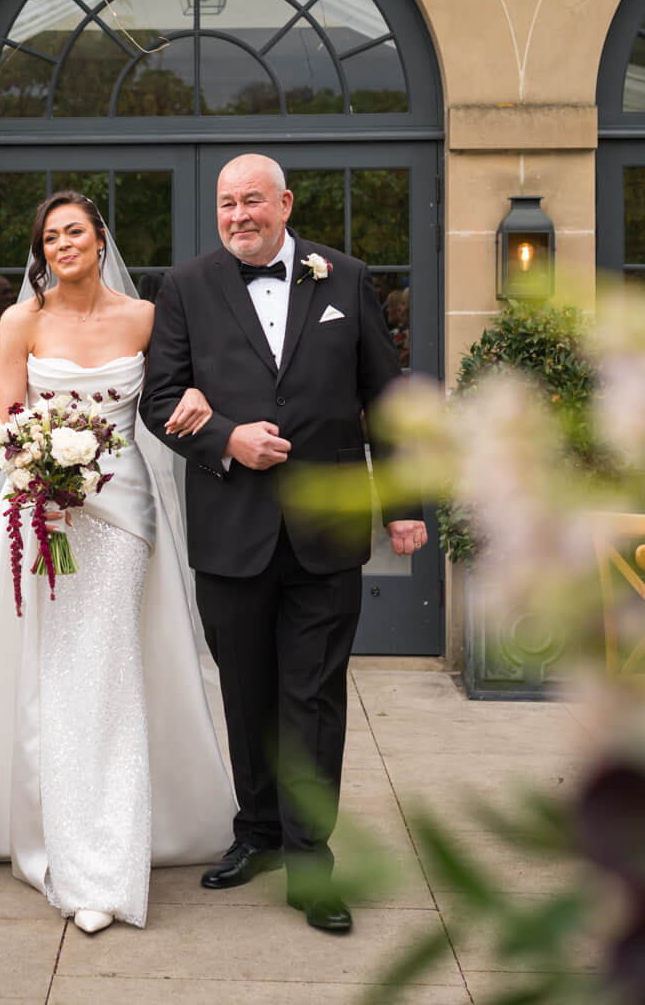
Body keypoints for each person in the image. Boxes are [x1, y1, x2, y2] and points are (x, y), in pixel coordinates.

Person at [0, 189, 235, 934]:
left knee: (106, 671)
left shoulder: (145, 317)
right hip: (40, 516)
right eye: (50, 237)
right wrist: (37, 475)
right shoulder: (20, 321)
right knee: (49, 674)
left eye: (75, 232)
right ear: (43, 251)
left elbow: (164, 398)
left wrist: (194, 392)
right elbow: (7, 416)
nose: (62, 245)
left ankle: (105, 859)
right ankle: (61, 842)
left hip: (123, 517)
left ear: (100, 240)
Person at [141, 152, 427, 934]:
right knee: (247, 697)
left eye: (254, 202)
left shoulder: (345, 276)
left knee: (313, 700)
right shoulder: (186, 286)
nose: (239, 215)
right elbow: (158, 398)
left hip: (326, 527)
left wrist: (403, 503)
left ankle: (311, 862)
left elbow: (387, 397)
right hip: (231, 528)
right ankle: (257, 833)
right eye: (228, 203)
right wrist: (228, 439)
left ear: (286, 204)